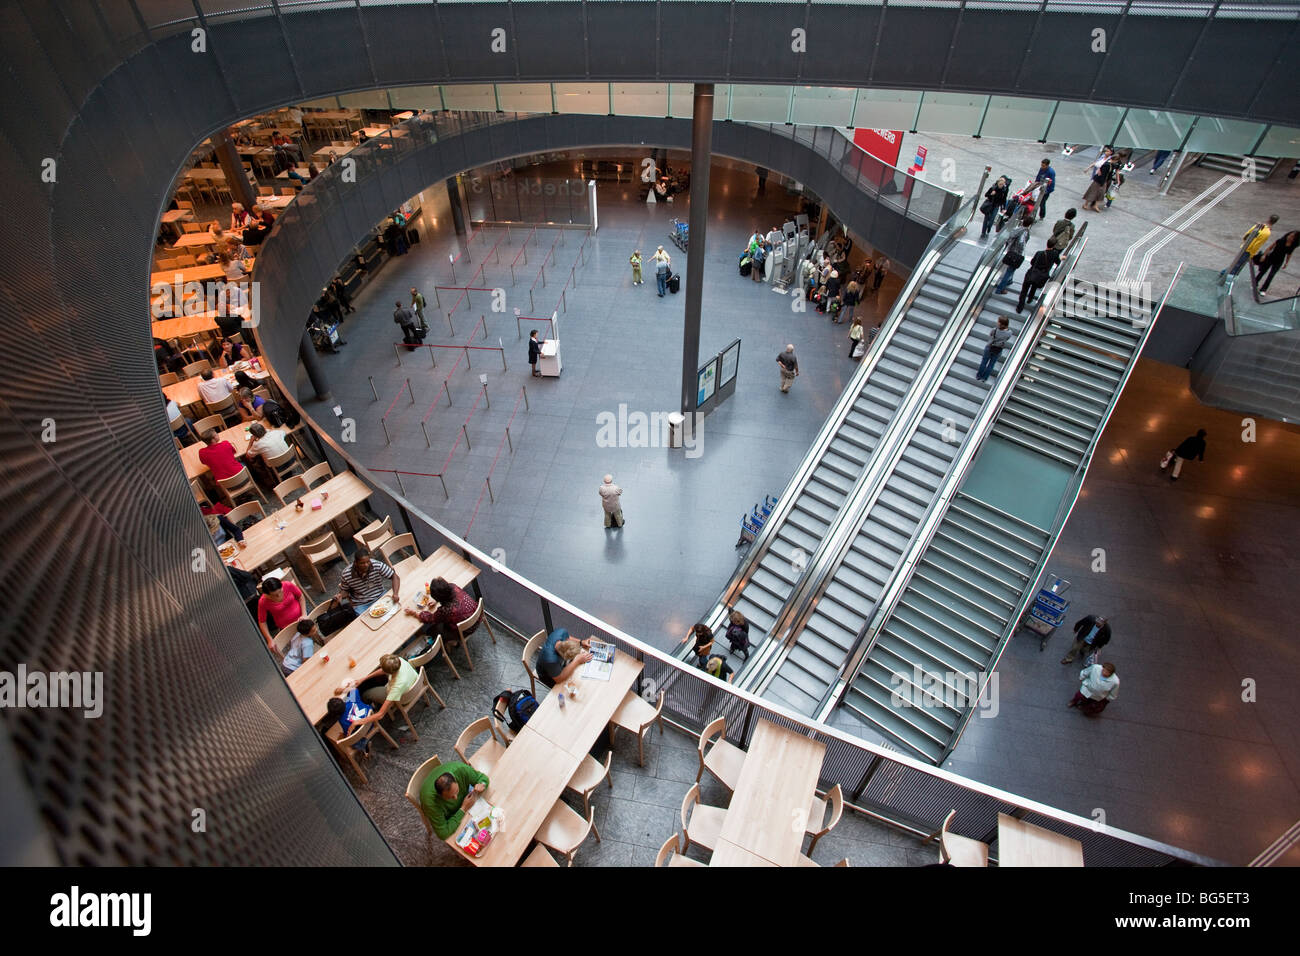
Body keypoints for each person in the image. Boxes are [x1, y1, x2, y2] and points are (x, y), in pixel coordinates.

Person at [420, 762, 490, 840]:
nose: (456, 798)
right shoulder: (430, 802)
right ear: (440, 795)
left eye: (457, 791)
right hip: (451, 815)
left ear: (456, 779)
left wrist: (482, 784)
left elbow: (483, 778)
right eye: (450, 797)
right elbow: (443, 833)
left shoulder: (461, 770)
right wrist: (463, 808)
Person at [404, 576, 478, 649]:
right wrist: (436, 601)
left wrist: (414, 613)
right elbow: (447, 595)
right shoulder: (453, 587)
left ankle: (453, 642)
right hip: (477, 617)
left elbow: (430, 618)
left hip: (466, 630)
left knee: (431, 630)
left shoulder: (446, 610)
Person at [352, 654, 419, 722]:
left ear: (388, 672)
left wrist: (357, 722)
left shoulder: (396, 687)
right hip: (416, 685)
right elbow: (383, 670)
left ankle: (370, 709)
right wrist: (363, 679)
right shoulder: (399, 660)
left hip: (404, 698)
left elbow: (380, 715)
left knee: (365, 694)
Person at [337, 548, 400, 616]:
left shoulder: (376, 565)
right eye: (362, 563)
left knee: (395, 612)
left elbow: (394, 576)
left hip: (380, 595)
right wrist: (341, 596)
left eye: (368, 562)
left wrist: (395, 593)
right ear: (355, 563)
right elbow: (345, 590)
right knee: (366, 621)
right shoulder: (346, 574)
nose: (366, 565)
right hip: (361, 603)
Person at [256, 575, 307, 650]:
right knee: (300, 647)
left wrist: (304, 614)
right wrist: (269, 639)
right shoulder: (263, 602)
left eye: (280, 591)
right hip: (286, 627)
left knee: (309, 638)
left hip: (301, 618)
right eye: (275, 595)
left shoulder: (287, 585)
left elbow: (300, 597)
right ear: (267, 594)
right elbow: (262, 621)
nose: (279, 595)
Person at [1017, 238, 1060, 313]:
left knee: (1024, 290)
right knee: (1034, 286)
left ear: (1047, 243)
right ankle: (1030, 299)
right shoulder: (1055, 254)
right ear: (1054, 246)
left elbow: (1032, 262)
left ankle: (1020, 307)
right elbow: (1058, 262)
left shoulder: (1039, 253)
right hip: (1041, 275)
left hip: (1032, 273)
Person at [1255, 229, 1297, 294]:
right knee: (1263, 271)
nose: (1289, 237)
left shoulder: (1292, 246)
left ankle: (1263, 289)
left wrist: (1286, 263)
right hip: (1271, 257)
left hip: (1279, 261)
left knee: (1271, 275)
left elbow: (1289, 254)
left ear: (1294, 239)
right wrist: (1264, 255)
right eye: (1289, 235)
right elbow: (1270, 248)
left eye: (1292, 236)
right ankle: (1255, 282)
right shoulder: (1280, 241)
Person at [976, 316, 1013, 382]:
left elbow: (990, 335)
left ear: (1000, 323)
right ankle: (984, 378)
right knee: (991, 364)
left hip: (990, 347)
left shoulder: (995, 330)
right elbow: (1007, 338)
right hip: (998, 349)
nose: (997, 322)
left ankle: (979, 376)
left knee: (984, 362)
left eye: (998, 321)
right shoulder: (1009, 332)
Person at [994, 231, 1027, 295]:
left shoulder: (1017, 229)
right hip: (1015, 256)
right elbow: (1021, 244)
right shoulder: (1025, 232)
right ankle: (999, 289)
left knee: (1010, 270)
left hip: (1011, 253)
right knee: (1009, 272)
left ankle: (1009, 280)